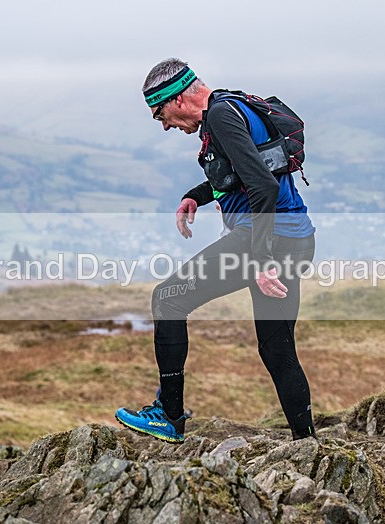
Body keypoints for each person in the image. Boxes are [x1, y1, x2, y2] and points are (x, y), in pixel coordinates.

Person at [116, 58, 316, 443]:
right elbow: (252, 170)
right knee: (276, 348)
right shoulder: (232, 106)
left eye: (161, 116)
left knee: (167, 299)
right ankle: (305, 443)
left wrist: (260, 260)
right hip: (295, 237)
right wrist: (197, 196)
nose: (166, 127)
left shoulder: (220, 117)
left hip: (266, 241)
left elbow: (264, 188)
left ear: (176, 101)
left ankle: (169, 417)